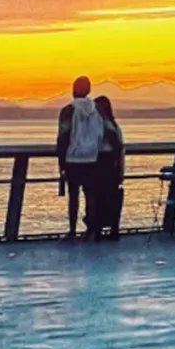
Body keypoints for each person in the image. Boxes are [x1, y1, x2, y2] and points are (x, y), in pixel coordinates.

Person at [56, 76, 105, 238]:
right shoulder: (96, 111)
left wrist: (61, 162)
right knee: (90, 194)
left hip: (73, 158)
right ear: (89, 90)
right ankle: (91, 228)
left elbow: (63, 136)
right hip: (92, 158)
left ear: (73, 90)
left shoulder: (68, 110)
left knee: (74, 196)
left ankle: (72, 230)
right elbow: (100, 134)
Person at [94, 95, 125, 241]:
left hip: (103, 164)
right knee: (108, 198)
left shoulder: (103, 126)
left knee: (100, 198)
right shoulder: (113, 125)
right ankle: (111, 229)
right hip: (110, 165)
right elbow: (120, 149)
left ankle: (98, 229)